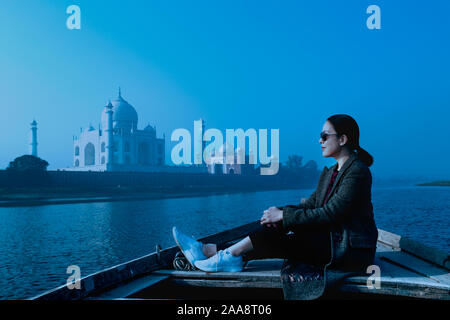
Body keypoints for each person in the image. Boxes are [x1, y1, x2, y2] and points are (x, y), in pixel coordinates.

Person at [172, 114, 378, 273]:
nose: (320, 141)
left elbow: (331, 213)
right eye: (320, 136)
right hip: (332, 239)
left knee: (278, 234)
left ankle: (218, 253)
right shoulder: (332, 172)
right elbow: (311, 205)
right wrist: (279, 211)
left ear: (342, 139)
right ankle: (217, 252)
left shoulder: (357, 172)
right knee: (273, 223)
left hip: (349, 251)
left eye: (325, 136)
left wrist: (284, 216)